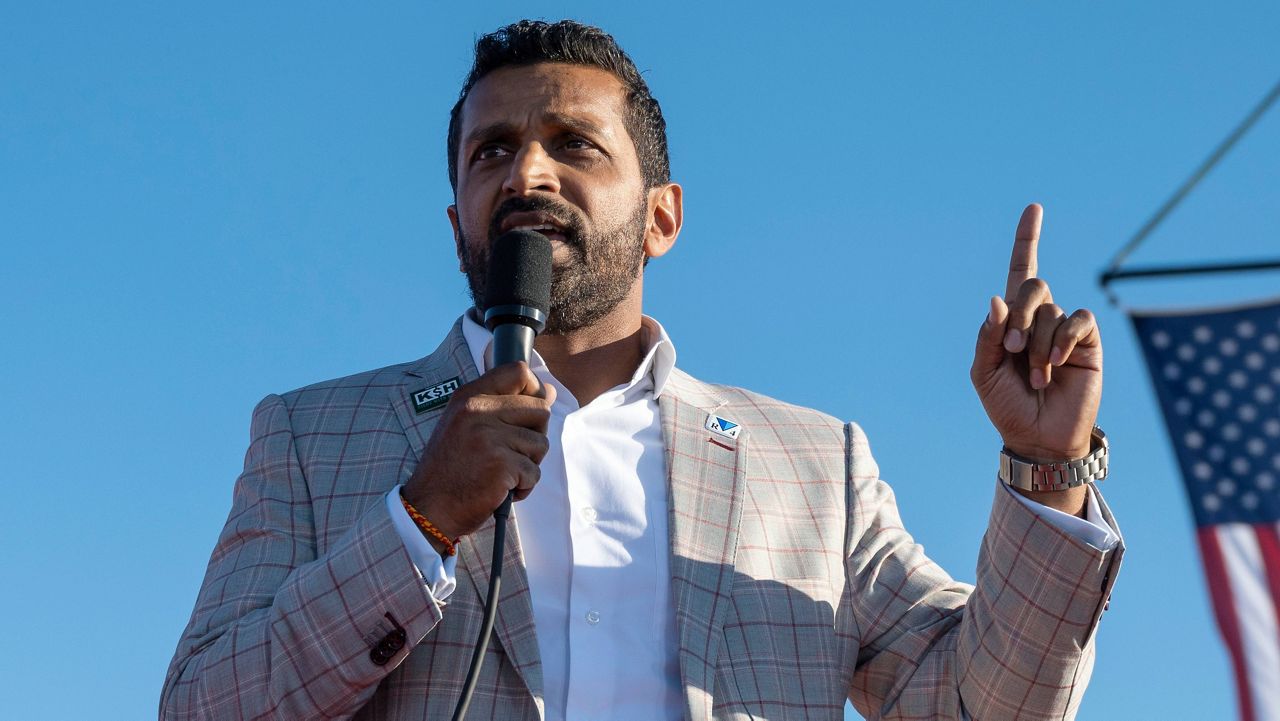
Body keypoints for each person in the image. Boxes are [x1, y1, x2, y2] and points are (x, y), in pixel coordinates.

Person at [161, 19, 1122, 721]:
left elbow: (983, 707)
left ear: (662, 216)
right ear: (456, 218)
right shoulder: (310, 435)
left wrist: (1047, 470)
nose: (526, 174)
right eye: (490, 151)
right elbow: (203, 707)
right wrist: (418, 523)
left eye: (572, 144)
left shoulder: (813, 463)